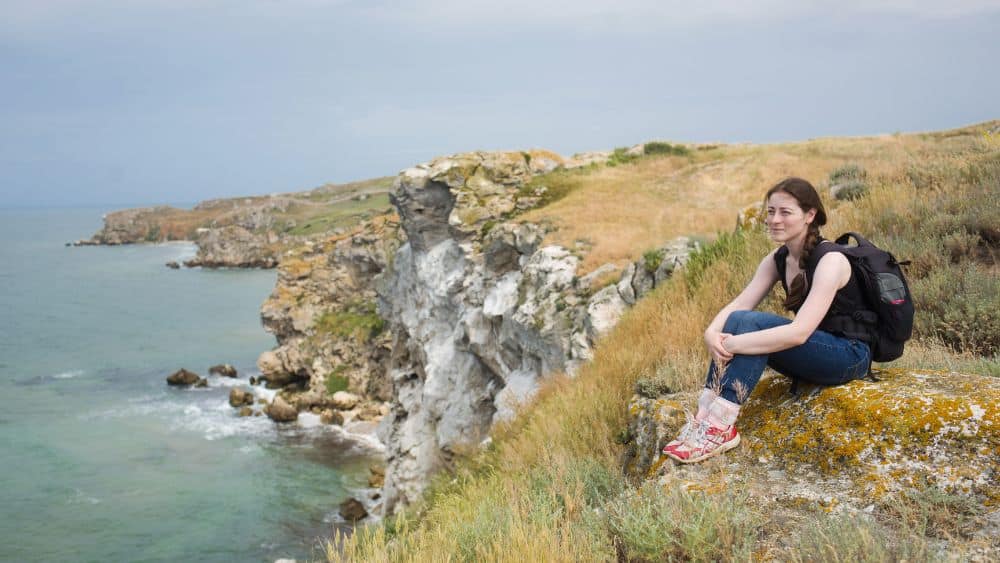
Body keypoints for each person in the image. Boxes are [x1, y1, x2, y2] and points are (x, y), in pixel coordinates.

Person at [662, 177, 873, 464]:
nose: (774, 219)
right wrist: (712, 333)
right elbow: (740, 304)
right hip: (815, 350)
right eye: (771, 211)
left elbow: (799, 333)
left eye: (785, 212)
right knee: (739, 318)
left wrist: (734, 343)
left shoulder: (830, 261)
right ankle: (704, 418)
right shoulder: (778, 258)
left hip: (849, 355)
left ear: (810, 215)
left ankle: (721, 426)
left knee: (751, 326)